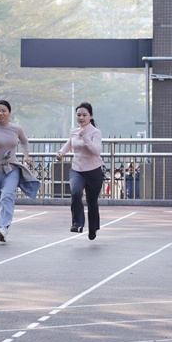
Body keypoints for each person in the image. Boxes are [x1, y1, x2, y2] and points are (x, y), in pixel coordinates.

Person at [0, 100, 40, 242]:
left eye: (3, 110)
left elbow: (24, 141)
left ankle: (3, 227)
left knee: (7, 196)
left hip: (11, 168)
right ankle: (2, 227)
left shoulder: (16, 128)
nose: (0, 113)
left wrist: (26, 156)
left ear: (9, 112)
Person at [56, 102, 104, 240]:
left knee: (92, 202)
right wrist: (61, 153)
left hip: (93, 170)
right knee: (75, 193)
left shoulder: (95, 132)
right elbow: (69, 144)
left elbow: (96, 151)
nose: (81, 118)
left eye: (84, 115)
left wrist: (85, 137)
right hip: (77, 170)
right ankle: (77, 223)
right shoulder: (74, 131)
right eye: (78, 115)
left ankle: (93, 228)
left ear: (91, 116)